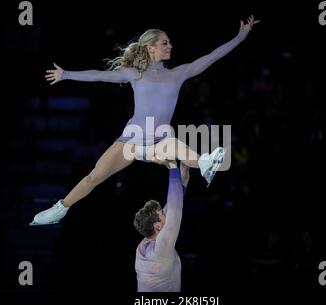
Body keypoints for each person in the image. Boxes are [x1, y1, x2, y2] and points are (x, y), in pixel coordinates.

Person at [30, 14, 260, 226]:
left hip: (158, 140)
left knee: (176, 154)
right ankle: (60, 208)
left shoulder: (178, 74)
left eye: (169, 42)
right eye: (164, 43)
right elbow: (98, 75)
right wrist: (66, 74)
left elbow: (212, 57)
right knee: (93, 177)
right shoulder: (135, 74)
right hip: (131, 139)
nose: (170, 46)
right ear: (150, 47)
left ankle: (202, 165)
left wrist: (240, 36)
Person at [133, 159, 189, 292]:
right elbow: (174, 208)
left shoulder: (146, 244)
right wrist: (172, 166)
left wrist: (182, 173)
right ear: (158, 226)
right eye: (163, 213)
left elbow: (174, 203)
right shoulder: (160, 249)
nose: (166, 213)